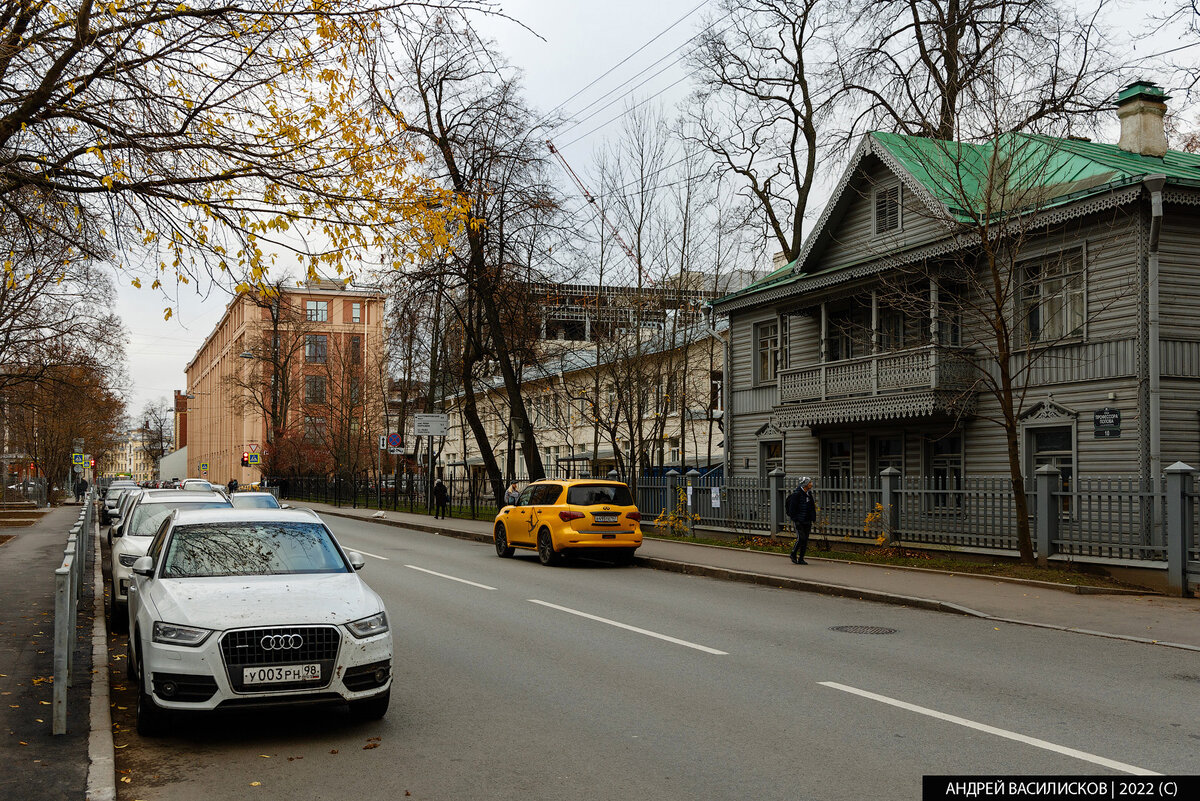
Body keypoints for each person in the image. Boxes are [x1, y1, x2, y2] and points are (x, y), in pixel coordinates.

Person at [785, 477, 816, 565]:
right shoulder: (797, 494)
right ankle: (793, 553)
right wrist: (796, 520)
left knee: (805, 540)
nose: (811, 484)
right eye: (810, 482)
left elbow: (812, 507)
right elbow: (792, 509)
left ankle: (801, 558)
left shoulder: (809, 494)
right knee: (801, 538)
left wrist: (813, 518)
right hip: (799, 520)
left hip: (807, 520)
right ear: (805, 484)